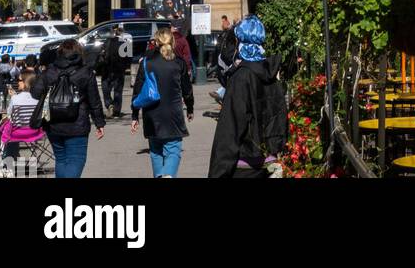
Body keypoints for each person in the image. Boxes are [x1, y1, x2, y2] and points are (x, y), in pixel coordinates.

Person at [208, 16, 287, 178]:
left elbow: (230, 129)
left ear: (238, 41)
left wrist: (217, 172)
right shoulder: (272, 74)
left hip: (244, 163)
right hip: (269, 161)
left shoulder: (242, 77)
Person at [35, 38, 105, 178]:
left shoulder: (50, 71)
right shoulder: (85, 72)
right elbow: (94, 101)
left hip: (53, 122)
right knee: (76, 160)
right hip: (77, 124)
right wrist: (99, 123)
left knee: (61, 159)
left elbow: (35, 92)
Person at [130, 26, 194, 179]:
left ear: (156, 42)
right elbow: (187, 90)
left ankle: (160, 175)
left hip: (152, 114)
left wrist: (134, 115)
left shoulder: (147, 62)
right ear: (172, 42)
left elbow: (138, 90)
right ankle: (168, 175)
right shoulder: (179, 63)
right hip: (173, 114)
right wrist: (190, 109)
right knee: (173, 150)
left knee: (156, 150)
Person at [0, 75, 38, 168]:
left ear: (25, 83)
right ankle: (14, 156)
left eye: (20, 80)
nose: (17, 82)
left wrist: (14, 96)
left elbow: (9, 114)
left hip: (17, 133)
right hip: (35, 133)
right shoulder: (37, 99)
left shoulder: (15, 98)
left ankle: (7, 161)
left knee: (7, 127)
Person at [98, 25, 132, 118]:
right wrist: (125, 67)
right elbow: (129, 58)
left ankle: (109, 104)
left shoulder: (106, 42)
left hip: (107, 70)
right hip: (119, 70)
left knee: (106, 90)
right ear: (121, 33)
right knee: (118, 91)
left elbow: (100, 56)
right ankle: (117, 111)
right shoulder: (126, 43)